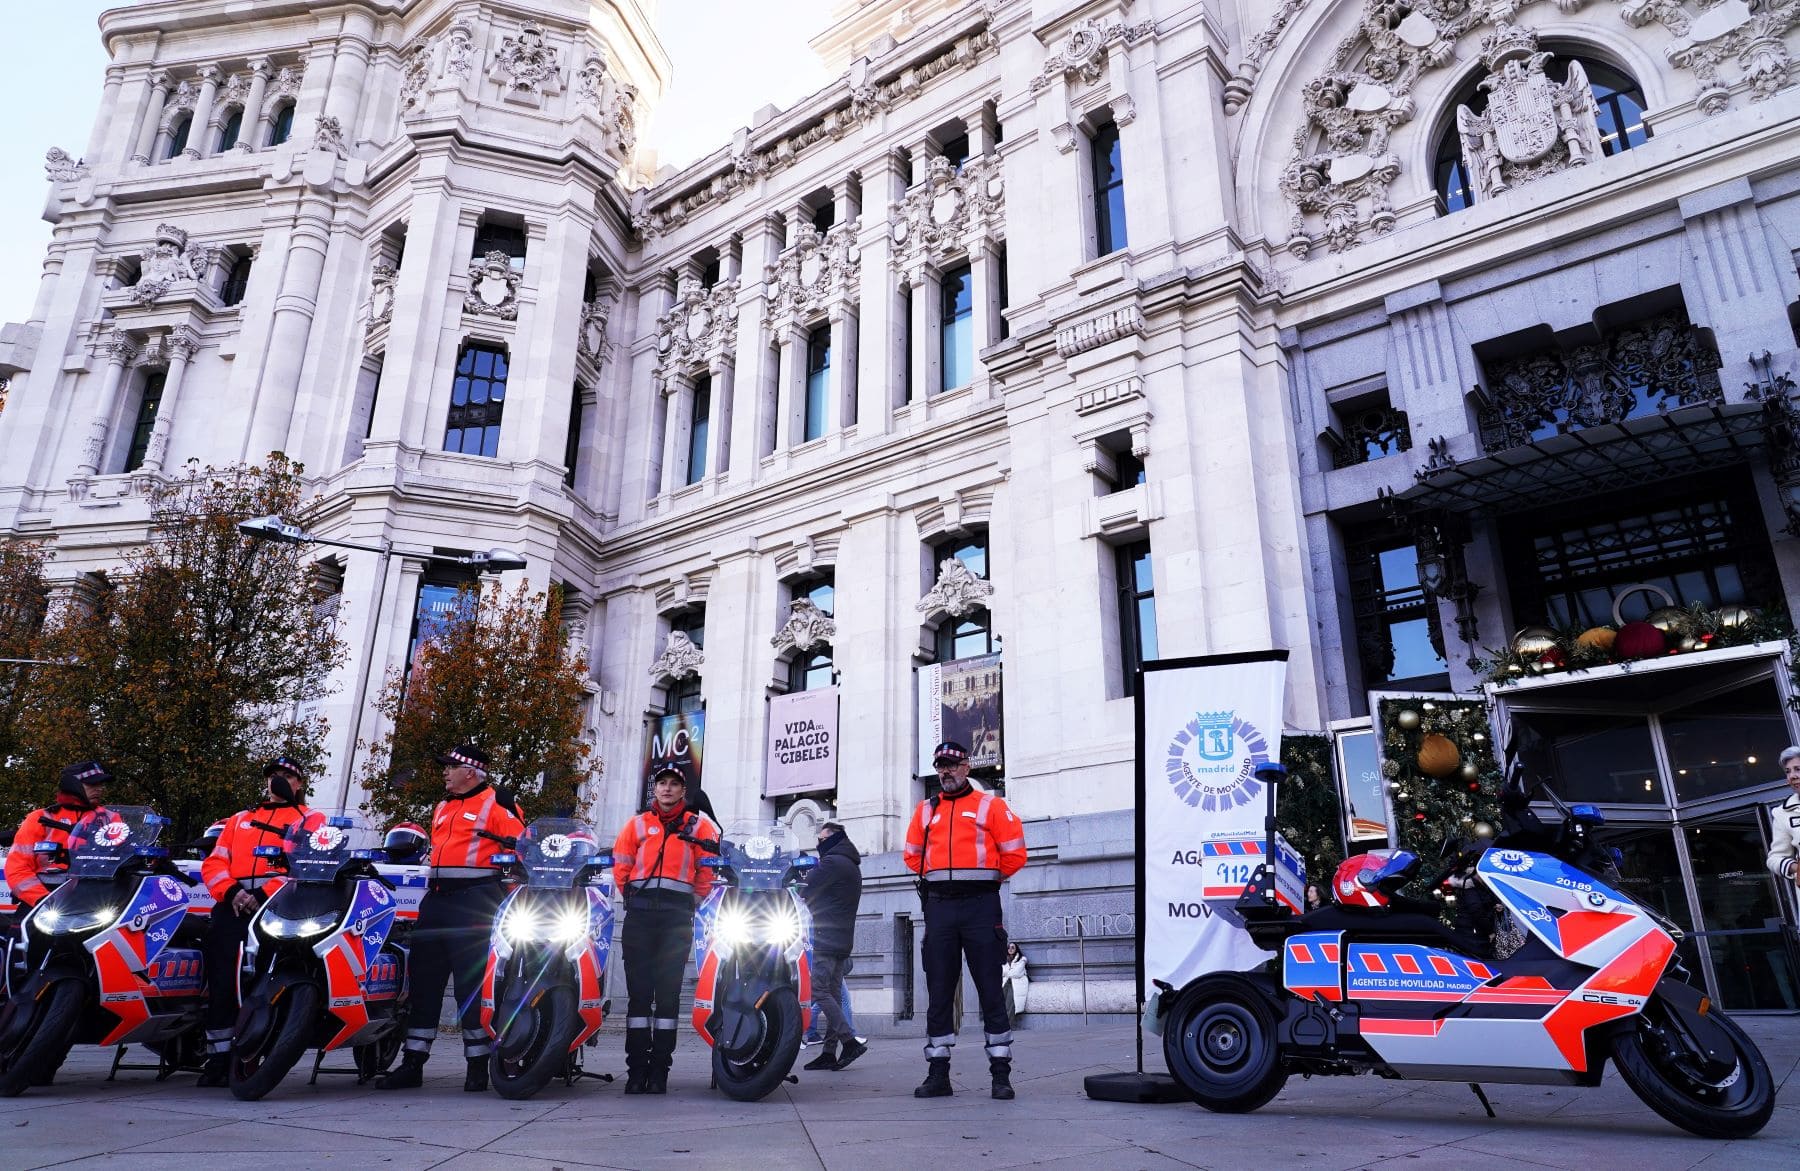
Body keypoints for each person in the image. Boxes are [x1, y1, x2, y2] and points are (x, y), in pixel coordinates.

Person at [380, 743, 525, 1092]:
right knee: (423, 982)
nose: (444, 771)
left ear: (471, 772)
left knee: (470, 987)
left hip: (476, 901)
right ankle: (413, 1062)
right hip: (436, 900)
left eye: (450, 766)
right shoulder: (443, 806)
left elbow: (520, 851)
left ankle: (477, 1065)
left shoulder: (499, 803)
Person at [904, 740, 1028, 1100]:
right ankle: (938, 1073)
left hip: (980, 906)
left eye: (952, 765)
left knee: (990, 986)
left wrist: (984, 879)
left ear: (967, 768)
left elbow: (1016, 854)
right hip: (940, 908)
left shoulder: (992, 806)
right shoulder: (925, 811)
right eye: (940, 765)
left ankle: (1001, 1075)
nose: (945, 771)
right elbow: (912, 856)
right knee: (939, 990)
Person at [196, 755, 312, 1086]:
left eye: (286, 775)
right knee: (222, 978)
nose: (278, 780)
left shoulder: (309, 819)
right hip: (233, 906)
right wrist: (232, 892)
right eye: (273, 775)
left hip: (279, 907)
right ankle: (218, 1057)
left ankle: (256, 1051)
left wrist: (263, 894)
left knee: (264, 978)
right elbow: (215, 863)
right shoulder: (240, 819)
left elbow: (305, 864)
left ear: (298, 784)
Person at [612, 762, 719, 1094]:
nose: (667, 788)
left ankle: (660, 1071)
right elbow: (621, 864)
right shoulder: (636, 825)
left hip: (675, 919)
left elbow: (707, 869)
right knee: (639, 998)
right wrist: (630, 895)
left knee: (669, 999)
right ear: (654, 789)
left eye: (674, 784)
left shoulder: (699, 826)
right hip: (640, 917)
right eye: (662, 783)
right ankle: (635, 1071)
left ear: (683, 790)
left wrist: (694, 900)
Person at [801, 820, 866, 1072]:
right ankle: (828, 1052)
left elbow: (805, 889)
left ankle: (849, 1042)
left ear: (832, 839)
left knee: (818, 991)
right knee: (834, 994)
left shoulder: (831, 863)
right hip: (842, 940)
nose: (818, 843)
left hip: (825, 938)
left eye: (821, 839)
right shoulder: (850, 864)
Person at [6, 761, 112, 913]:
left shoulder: (110, 819)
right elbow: (17, 869)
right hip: (43, 899)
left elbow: (123, 861)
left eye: (101, 784)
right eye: (92, 784)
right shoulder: (40, 818)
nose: (100, 788)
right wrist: (43, 900)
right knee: (21, 929)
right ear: (72, 785)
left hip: (95, 898)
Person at [1765, 746, 1800, 888]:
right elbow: (1774, 859)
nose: (1792, 776)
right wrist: (1796, 868)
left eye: (1798, 769)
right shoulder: (1782, 813)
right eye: (1788, 771)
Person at [1001, 942, 1029, 1022]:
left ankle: (1007, 1025)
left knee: (1009, 1004)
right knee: (1000, 1004)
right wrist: (1009, 972)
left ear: (1016, 949)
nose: (1010, 949)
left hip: (1016, 983)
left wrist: (1006, 973)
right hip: (1005, 982)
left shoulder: (1022, 959)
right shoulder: (1004, 960)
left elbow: (1017, 973)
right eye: (1008, 947)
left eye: (1012, 947)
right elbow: (1000, 971)